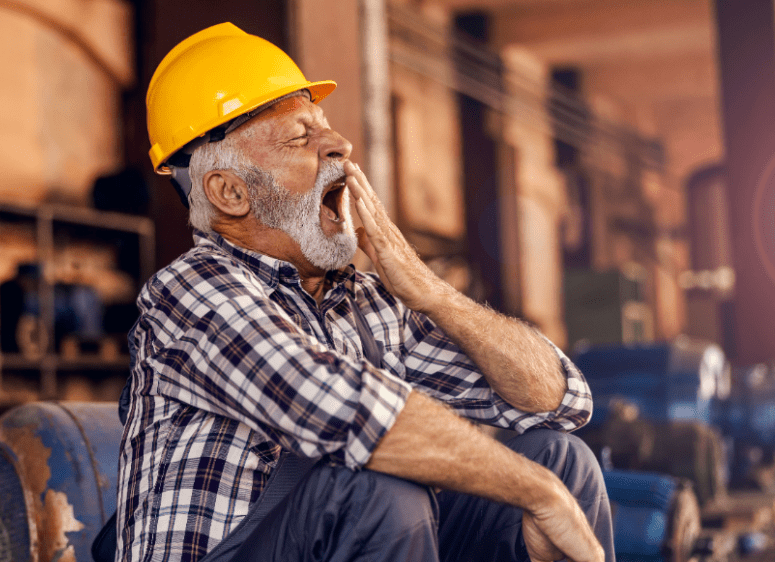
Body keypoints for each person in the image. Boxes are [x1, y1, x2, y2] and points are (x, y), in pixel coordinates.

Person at [114, 22, 613, 562]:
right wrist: (539, 496)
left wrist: (429, 291)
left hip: (329, 532)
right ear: (231, 192)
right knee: (381, 491)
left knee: (559, 459)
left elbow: (560, 402)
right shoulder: (190, 293)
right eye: (302, 136)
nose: (341, 145)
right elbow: (344, 414)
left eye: (325, 128)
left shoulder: (365, 303)